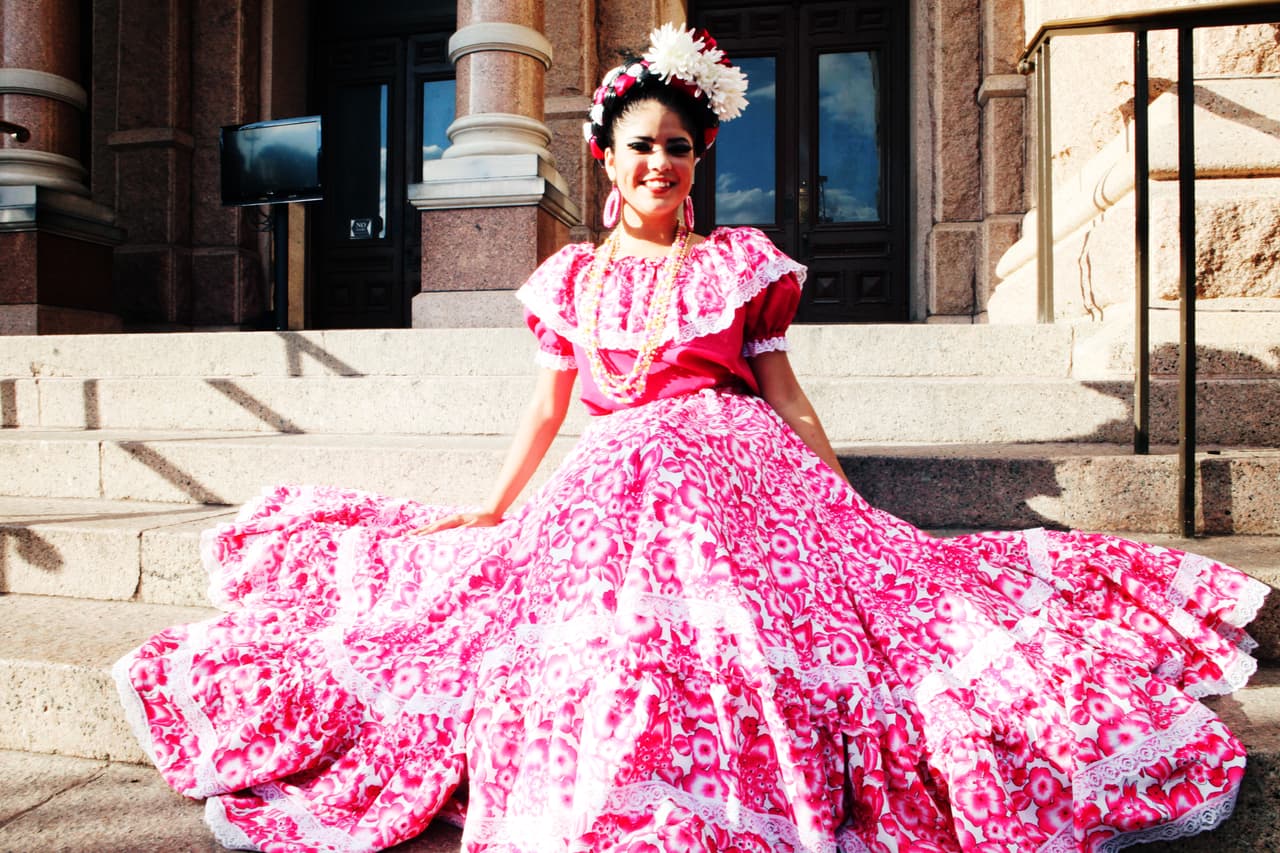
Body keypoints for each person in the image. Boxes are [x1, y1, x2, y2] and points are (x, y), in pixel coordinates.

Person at [115, 23, 1266, 853]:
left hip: (731, 459)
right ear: (604, 161)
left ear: (694, 162)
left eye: (675, 146)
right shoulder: (564, 277)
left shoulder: (731, 264)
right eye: (638, 146)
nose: (658, 162)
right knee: (579, 624)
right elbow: (548, 406)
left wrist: (840, 494)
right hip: (609, 473)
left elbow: (783, 391)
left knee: (759, 602)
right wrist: (496, 503)